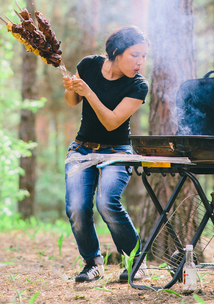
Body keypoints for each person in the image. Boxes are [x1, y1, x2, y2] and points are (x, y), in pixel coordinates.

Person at [63, 26, 149, 283]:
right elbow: (71, 101)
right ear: (116, 52)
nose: (140, 62)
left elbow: (112, 122)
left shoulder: (138, 85)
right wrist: (71, 87)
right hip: (82, 149)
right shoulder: (88, 65)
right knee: (77, 208)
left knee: (107, 203)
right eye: (135, 55)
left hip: (117, 151)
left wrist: (88, 91)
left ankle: (136, 262)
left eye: (144, 56)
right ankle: (93, 263)